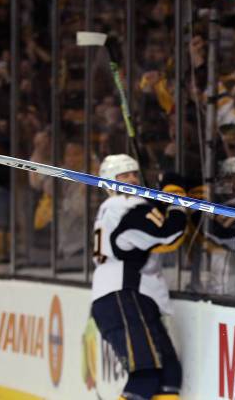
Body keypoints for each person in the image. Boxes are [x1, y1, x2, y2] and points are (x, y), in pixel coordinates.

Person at [90, 154, 186, 400]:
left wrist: (162, 201)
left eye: (134, 173)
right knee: (144, 375)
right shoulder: (122, 206)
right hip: (121, 294)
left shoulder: (115, 208)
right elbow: (167, 234)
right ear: (111, 182)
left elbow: (150, 226)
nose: (131, 179)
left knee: (168, 376)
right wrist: (175, 199)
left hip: (129, 296)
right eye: (124, 176)